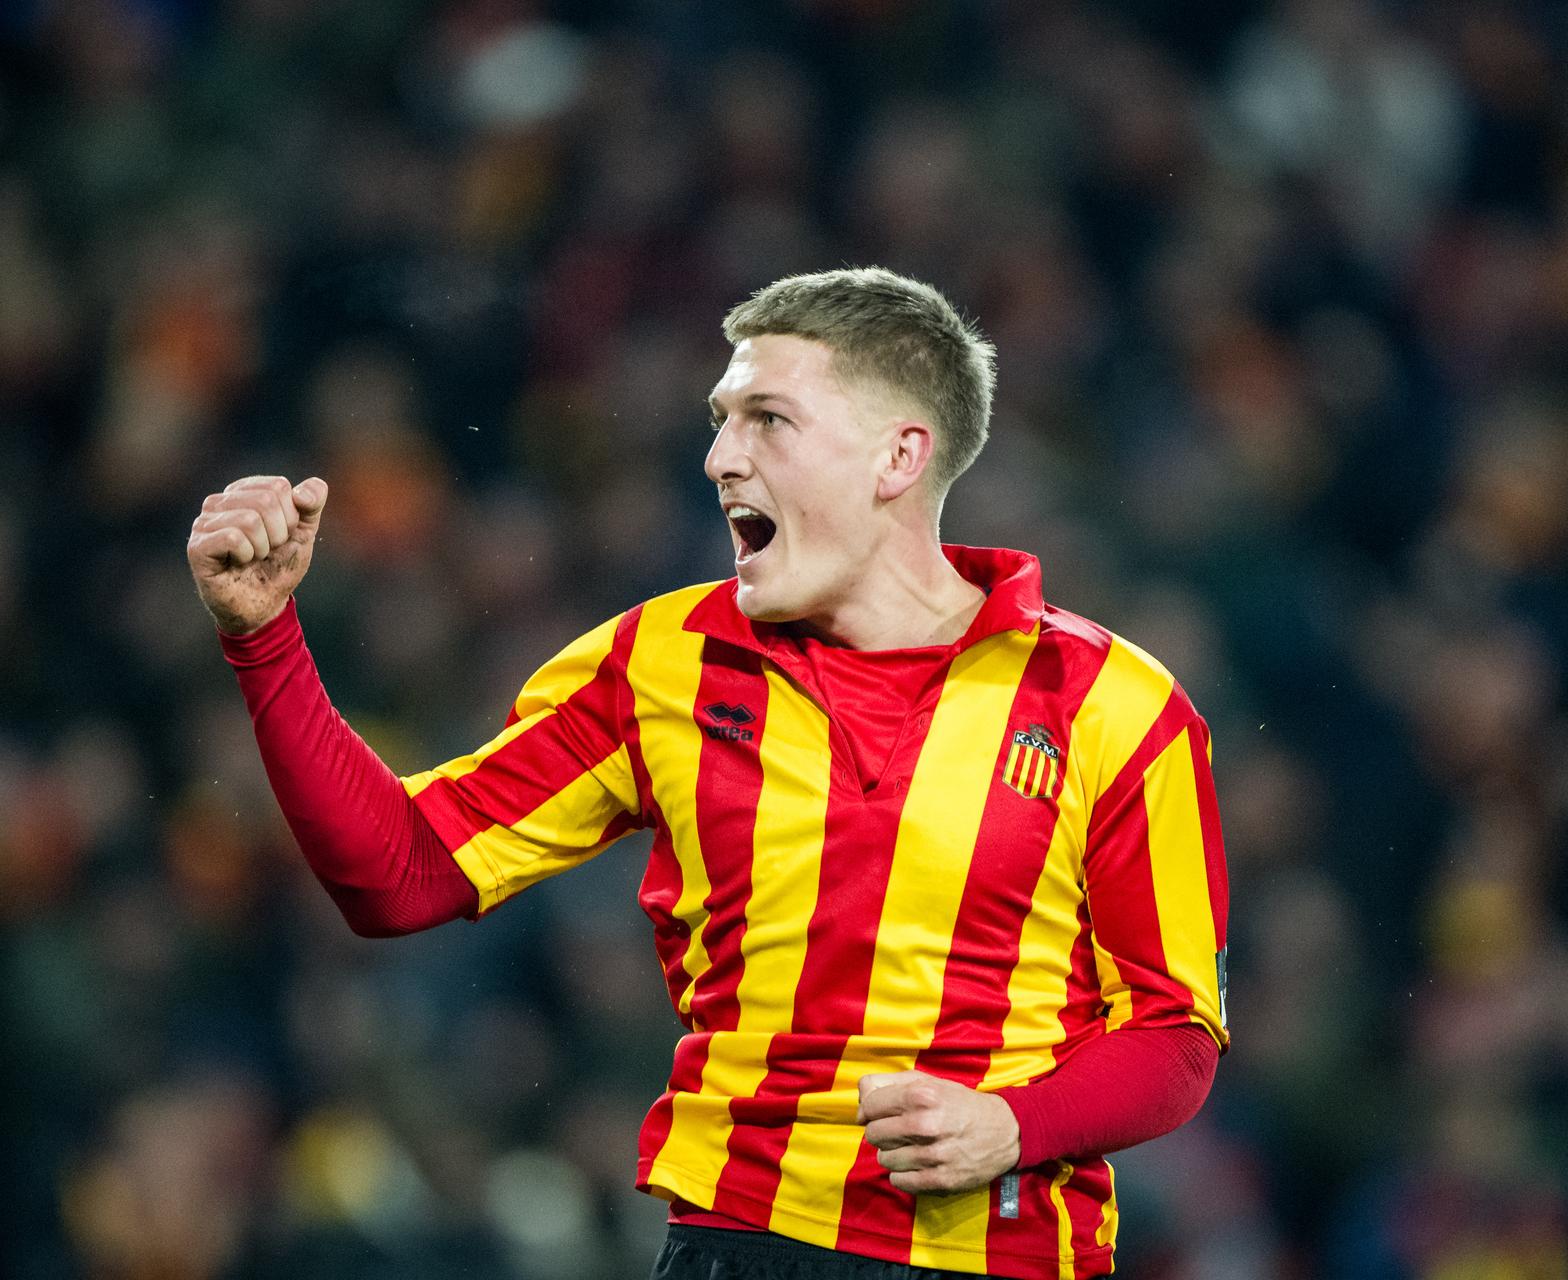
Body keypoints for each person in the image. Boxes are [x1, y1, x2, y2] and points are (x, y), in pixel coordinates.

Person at [187, 267, 1229, 1280]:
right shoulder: (661, 663)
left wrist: (1013, 1121)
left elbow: (1176, 1033)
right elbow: (400, 873)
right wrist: (266, 637)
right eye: (720, 419)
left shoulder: (1113, 702)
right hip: (737, 1239)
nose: (720, 457)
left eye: (767, 419)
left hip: (1002, 1252)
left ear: (897, 456)